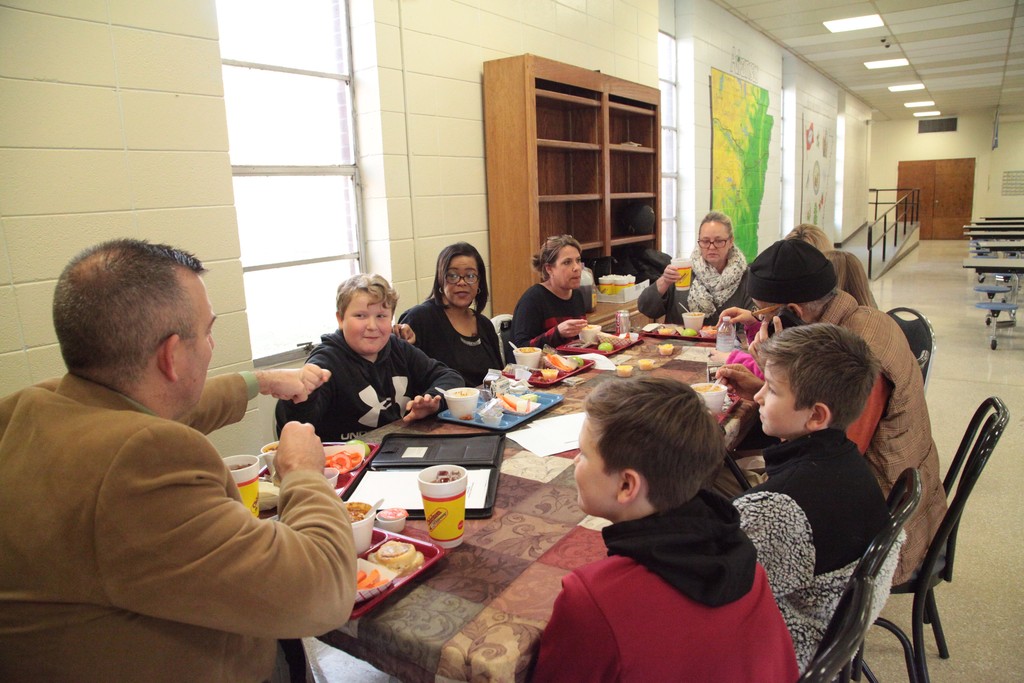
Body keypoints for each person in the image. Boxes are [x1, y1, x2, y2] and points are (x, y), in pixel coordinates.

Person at [0, 239, 355, 682]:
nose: (211, 345)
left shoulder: (32, 407)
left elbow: (154, 406)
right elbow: (321, 592)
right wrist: (303, 472)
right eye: (207, 332)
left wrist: (259, 381)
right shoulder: (141, 463)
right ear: (170, 355)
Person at [532, 377, 798, 682]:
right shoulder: (744, 559)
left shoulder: (593, 599)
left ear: (626, 485)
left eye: (584, 453)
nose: (576, 461)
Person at [716, 239, 945, 584]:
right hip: (865, 495)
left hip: (878, 532)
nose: (759, 323)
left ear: (792, 313)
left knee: (707, 481)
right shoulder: (859, 320)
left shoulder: (858, 357)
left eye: (762, 315)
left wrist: (771, 362)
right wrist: (766, 387)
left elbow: (833, 455)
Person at [732, 323, 893, 671]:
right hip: (833, 627)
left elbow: (716, 588)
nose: (758, 397)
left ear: (817, 415)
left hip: (795, 649)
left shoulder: (778, 508)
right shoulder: (845, 459)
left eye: (772, 390)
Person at [277, 273, 463, 442]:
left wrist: (433, 401)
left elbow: (450, 377)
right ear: (340, 319)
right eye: (360, 316)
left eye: (381, 316)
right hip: (348, 460)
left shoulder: (399, 348)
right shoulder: (326, 363)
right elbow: (297, 425)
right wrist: (300, 393)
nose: (372, 326)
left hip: (400, 447)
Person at [398, 242, 502, 386]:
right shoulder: (419, 319)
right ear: (440, 279)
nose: (462, 282)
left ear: (479, 282)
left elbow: (499, 377)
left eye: (470, 275)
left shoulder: (484, 325)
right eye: (452, 275)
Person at [637, 211, 752, 326]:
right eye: (705, 241)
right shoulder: (683, 271)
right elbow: (646, 308)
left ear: (731, 241)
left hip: (728, 337)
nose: (711, 247)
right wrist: (664, 281)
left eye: (719, 241)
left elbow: (753, 323)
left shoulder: (745, 277)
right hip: (679, 337)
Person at [511, 234, 588, 348]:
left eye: (578, 260)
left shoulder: (577, 295)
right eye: (567, 262)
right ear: (549, 269)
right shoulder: (533, 299)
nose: (576, 267)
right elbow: (521, 348)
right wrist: (557, 333)